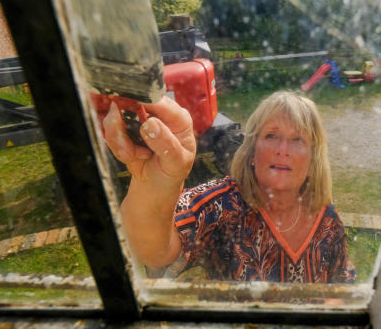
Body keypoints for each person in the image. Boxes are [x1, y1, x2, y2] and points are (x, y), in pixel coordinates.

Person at [102, 90, 355, 283]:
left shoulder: (326, 216)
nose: (282, 150)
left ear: (313, 158)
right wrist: (157, 182)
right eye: (271, 136)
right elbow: (153, 251)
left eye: (298, 139)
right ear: (252, 151)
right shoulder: (221, 204)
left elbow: (342, 282)